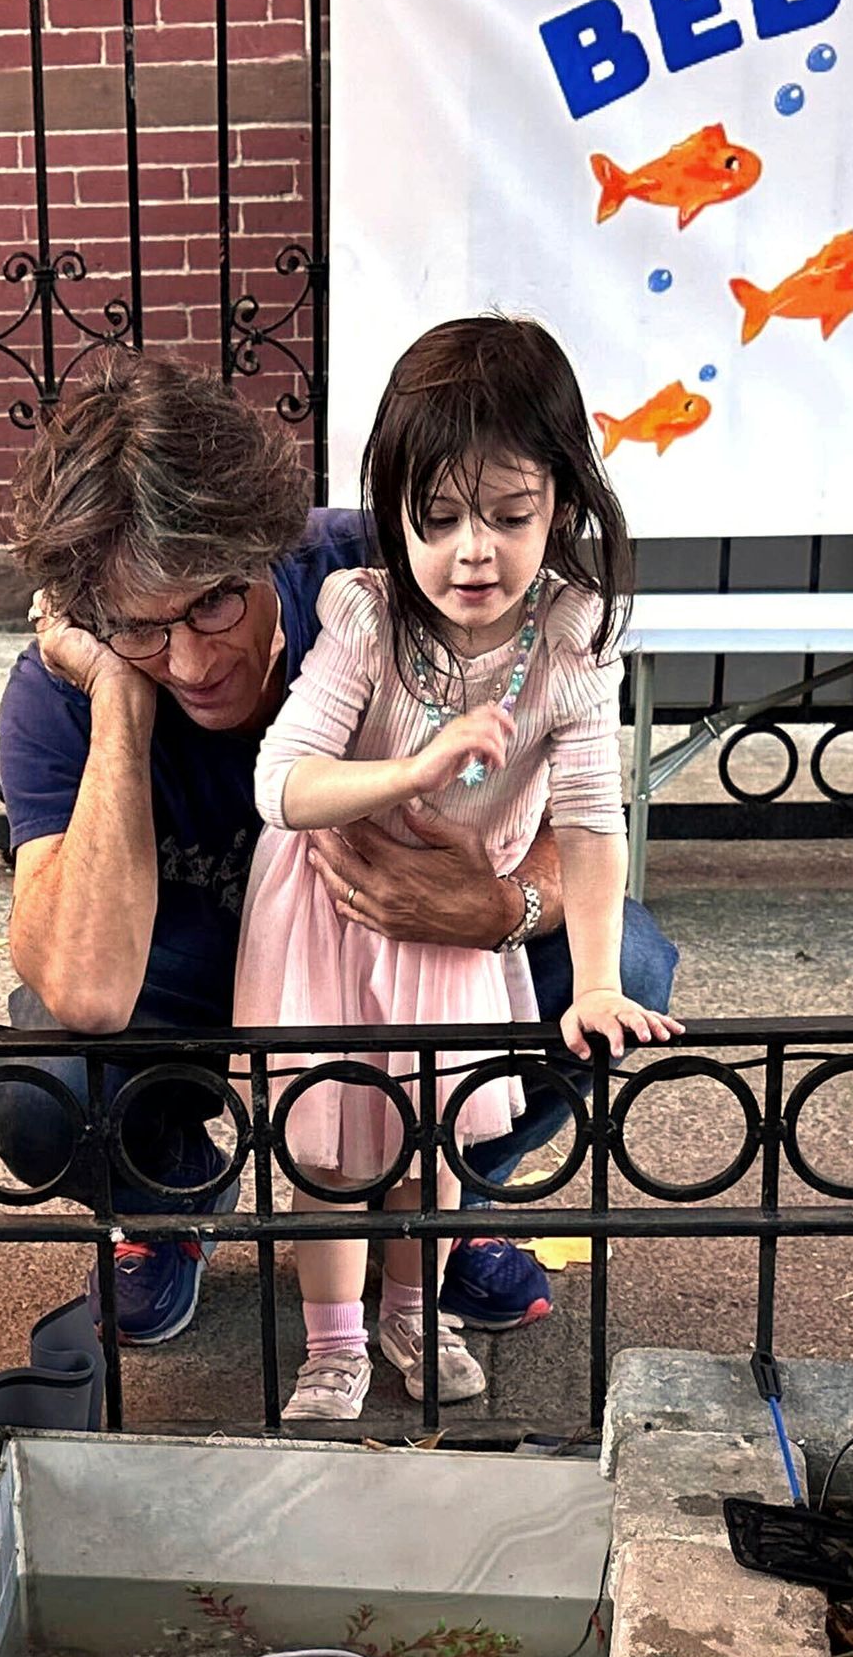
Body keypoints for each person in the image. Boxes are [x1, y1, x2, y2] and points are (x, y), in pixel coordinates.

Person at [0, 352, 680, 1344]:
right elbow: (86, 989)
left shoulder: (397, 575)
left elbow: (575, 805)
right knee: (38, 1094)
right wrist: (120, 704)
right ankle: (171, 1201)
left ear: (268, 544)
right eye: (142, 626)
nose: (190, 659)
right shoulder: (65, 688)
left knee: (630, 970)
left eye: (214, 603)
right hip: (195, 973)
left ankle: (443, 1201)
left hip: (405, 953)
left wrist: (502, 906)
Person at [239, 317, 682, 1421]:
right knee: (336, 1137)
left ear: (564, 506)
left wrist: (592, 984)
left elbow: (587, 822)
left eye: (509, 515)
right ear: (392, 512)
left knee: (432, 1129)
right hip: (334, 910)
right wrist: (413, 769)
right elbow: (280, 782)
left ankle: (413, 1307)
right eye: (435, 520)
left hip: (449, 919)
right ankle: (332, 1343)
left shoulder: (573, 641)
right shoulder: (367, 616)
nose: (470, 552)